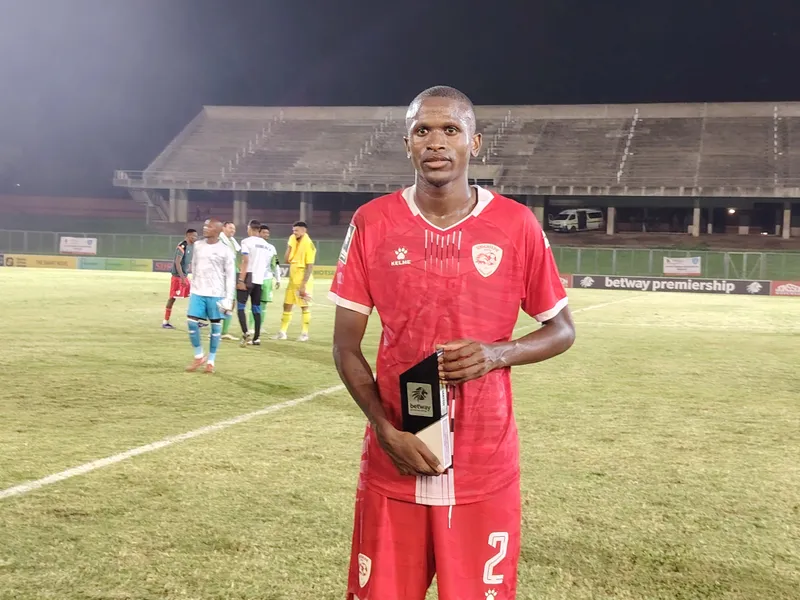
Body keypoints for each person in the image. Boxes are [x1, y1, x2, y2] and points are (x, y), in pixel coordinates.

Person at [328, 86, 576, 600]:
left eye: (450, 130)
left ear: (475, 142)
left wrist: (497, 353)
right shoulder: (373, 222)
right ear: (407, 144)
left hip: (485, 463)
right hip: (396, 458)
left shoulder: (516, 224)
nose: (436, 142)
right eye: (423, 130)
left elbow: (561, 329)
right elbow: (345, 347)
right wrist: (383, 429)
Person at [185, 218, 236, 374]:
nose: (205, 228)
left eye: (209, 226)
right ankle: (199, 355)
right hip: (198, 292)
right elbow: (194, 266)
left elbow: (230, 275)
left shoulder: (226, 250)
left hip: (216, 294)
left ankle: (211, 361)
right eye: (205, 225)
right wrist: (193, 286)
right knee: (191, 323)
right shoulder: (198, 246)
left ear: (218, 230)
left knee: (215, 328)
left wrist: (229, 298)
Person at [274, 221, 315, 342]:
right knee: (287, 305)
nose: (294, 233)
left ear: (304, 231)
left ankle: (304, 333)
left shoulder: (309, 245)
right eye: (293, 231)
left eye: (296, 230)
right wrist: (290, 245)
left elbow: (310, 266)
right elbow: (286, 260)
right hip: (292, 280)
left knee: (304, 306)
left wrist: (303, 285)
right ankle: (282, 332)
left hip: (303, 280)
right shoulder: (293, 240)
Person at [237, 219, 270, 346]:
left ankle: (245, 333)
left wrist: (241, 279)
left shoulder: (246, 242)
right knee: (256, 308)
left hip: (247, 278)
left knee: (241, 307)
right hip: (259, 280)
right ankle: (256, 338)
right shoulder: (267, 245)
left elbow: (245, 261)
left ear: (249, 228)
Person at [247, 224, 281, 339]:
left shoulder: (271, 248)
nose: (266, 235)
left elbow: (275, 264)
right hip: (254, 277)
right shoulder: (253, 245)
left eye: (267, 233)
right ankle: (251, 326)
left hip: (267, 278)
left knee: (264, 303)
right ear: (259, 233)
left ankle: (259, 326)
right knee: (254, 302)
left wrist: (278, 278)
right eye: (264, 233)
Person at [162, 228, 197, 329]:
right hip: (178, 277)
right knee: (172, 298)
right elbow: (177, 262)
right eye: (193, 236)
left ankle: (195, 319)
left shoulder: (192, 246)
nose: (195, 238)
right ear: (188, 236)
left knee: (195, 295)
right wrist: (182, 278)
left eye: (196, 236)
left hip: (184, 276)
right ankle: (165, 321)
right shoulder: (183, 246)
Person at [219, 221, 241, 340]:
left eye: (234, 228)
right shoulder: (219, 240)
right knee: (219, 302)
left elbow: (235, 257)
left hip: (232, 275)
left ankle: (224, 331)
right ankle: (215, 330)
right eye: (230, 228)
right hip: (222, 276)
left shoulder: (232, 241)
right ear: (223, 228)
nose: (232, 230)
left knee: (231, 302)